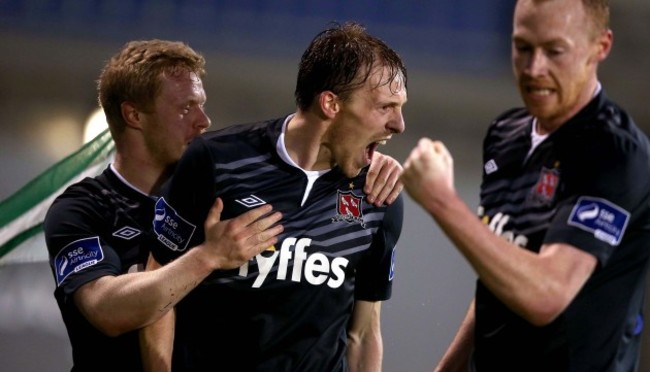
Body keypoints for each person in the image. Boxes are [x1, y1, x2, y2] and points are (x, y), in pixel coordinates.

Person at [43, 39, 404, 372]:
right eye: (186, 108)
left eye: (202, 105)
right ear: (134, 116)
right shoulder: (85, 208)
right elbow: (107, 312)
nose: (205, 121)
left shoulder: (219, 175)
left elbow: (364, 330)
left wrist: (364, 154)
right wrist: (208, 255)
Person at [401, 1, 650, 371]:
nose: (535, 69)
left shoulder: (614, 154)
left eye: (554, 51)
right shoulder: (506, 135)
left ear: (601, 46)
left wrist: (442, 201)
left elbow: (545, 296)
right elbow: (500, 275)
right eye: (523, 47)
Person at [145, 22, 407, 371]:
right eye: (385, 107)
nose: (399, 124)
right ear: (331, 103)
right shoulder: (218, 160)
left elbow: (363, 332)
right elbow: (157, 292)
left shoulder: (378, 196)